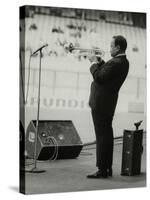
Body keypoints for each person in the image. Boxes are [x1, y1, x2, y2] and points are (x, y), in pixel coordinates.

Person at [87, 35, 129, 178]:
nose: (109, 48)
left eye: (111, 46)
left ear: (118, 48)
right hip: (107, 103)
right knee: (106, 136)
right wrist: (100, 61)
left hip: (101, 103)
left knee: (102, 137)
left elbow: (99, 77)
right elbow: (106, 72)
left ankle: (102, 169)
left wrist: (93, 63)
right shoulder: (122, 61)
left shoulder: (116, 62)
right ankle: (107, 167)